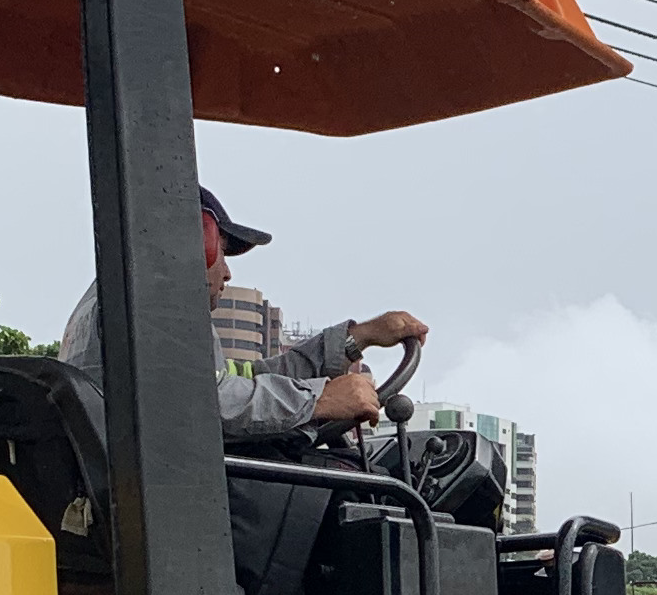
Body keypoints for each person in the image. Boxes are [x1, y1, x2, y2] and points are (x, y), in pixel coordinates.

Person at [54, 185, 426, 444]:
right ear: (192, 243)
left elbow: (243, 380)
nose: (228, 274)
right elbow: (208, 403)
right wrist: (320, 401)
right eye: (224, 253)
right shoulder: (152, 309)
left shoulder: (115, 299)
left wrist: (356, 339)